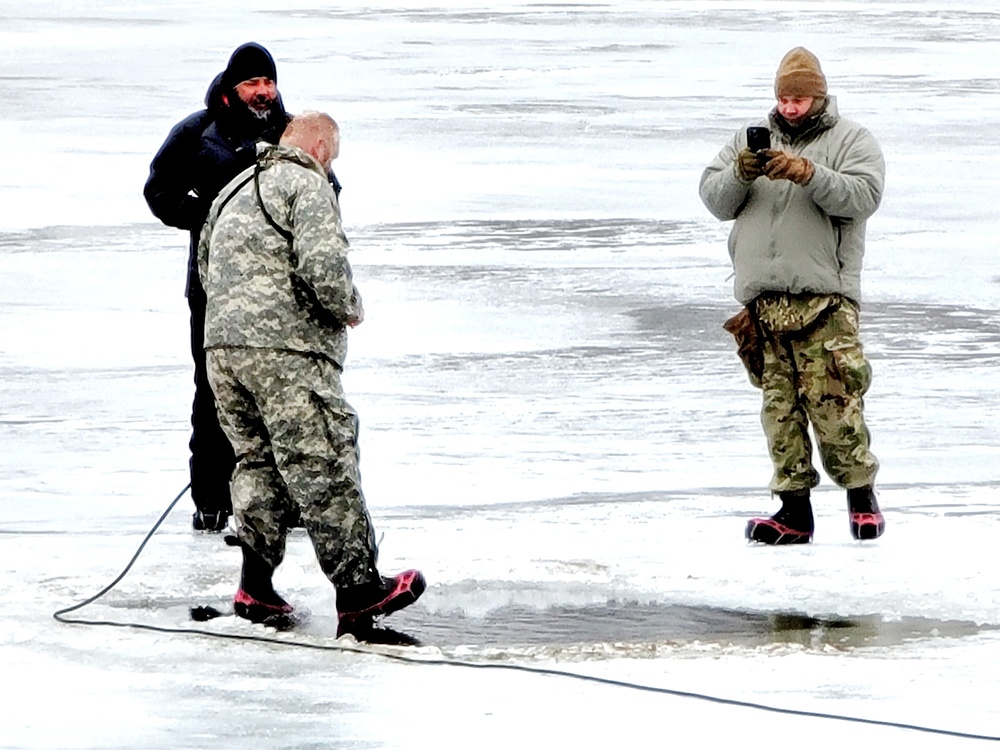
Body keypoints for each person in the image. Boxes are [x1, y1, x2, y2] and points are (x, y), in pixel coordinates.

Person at [196, 112, 425, 633]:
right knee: (322, 459)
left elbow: (206, 269)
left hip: (223, 351)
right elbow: (323, 268)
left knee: (257, 462)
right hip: (287, 352)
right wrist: (350, 307)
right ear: (319, 146)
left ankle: (256, 589)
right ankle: (359, 590)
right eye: (334, 158)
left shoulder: (231, 190)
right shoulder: (305, 182)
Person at [699, 47, 887, 545]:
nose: (789, 107)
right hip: (765, 302)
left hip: (825, 299)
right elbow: (715, 201)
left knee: (834, 404)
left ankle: (861, 496)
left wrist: (807, 173)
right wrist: (742, 171)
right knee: (779, 410)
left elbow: (864, 197)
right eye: (783, 98)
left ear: (817, 96)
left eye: (799, 98)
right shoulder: (747, 140)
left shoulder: (852, 140)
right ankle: (793, 510)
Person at [144, 43, 290, 532]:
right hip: (214, 289)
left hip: (277, 294)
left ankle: (282, 502)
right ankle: (211, 500)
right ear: (231, 89)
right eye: (252, 83)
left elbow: (324, 188)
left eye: (268, 82)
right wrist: (208, 218)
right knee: (213, 394)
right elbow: (158, 191)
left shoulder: (291, 131)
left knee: (280, 397)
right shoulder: (196, 131)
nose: (263, 92)